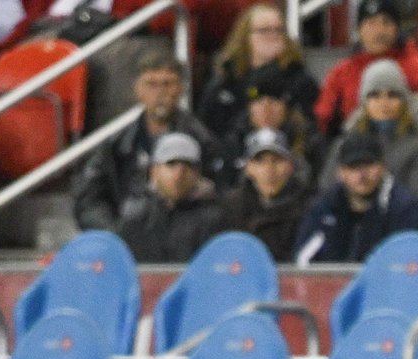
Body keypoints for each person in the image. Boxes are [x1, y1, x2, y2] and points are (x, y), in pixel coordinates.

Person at [73, 52, 217, 233]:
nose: (160, 93)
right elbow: (88, 199)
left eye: (167, 84)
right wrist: (115, 232)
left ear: (181, 89)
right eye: (151, 84)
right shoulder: (116, 143)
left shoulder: (202, 142)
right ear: (138, 91)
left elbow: (216, 198)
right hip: (125, 233)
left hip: (186, 237)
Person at [313, 0, 418, 152]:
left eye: (386, 23)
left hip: (409, 153)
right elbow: (323, 119)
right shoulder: (341, 73)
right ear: (358, 30)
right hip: (356, 154)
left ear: (397, 29)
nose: (379, 31)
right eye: (371, 23)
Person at [319, 59, 418, 215]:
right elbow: (327, 192)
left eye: (392, 95)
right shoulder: (345, 144)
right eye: (375, 95)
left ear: (404, 101)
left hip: (403, 225)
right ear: (364, 103)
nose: (384, 103)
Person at [294, 133, 418, 265]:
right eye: (353, 167)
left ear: (382, 167)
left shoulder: (406, 209)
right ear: (340, 172)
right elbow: (302, 262)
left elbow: (416, 263)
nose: (362, 175)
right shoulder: (324, 208)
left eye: (368, 165)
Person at [196, 3, 319, 141]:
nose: (273, 35)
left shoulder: (302, 82)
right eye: (264, 30)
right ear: (245, 36)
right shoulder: (224, 84)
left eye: (278, 30)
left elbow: (312, 130)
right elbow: (207, 133)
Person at [214, 63, 325, 190]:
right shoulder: (234, 142)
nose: (266, 109)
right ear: (249, 107)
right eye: (258, 101)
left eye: (274, 100)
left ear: (287, 107)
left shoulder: (309, 143)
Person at [116, 133, 224, 262]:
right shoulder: (136, 218)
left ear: (198, 173)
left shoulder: (214, 221)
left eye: (188, 166)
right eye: (171, 164)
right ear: (154, 171)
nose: (179, 174)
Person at [222, 128, 311, 261]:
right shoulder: (230, 207)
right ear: (248, 168)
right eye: (260, 161)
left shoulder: (308, 207)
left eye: (277, 160)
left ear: (290, 166)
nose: (269, 170)